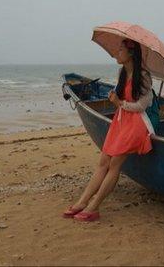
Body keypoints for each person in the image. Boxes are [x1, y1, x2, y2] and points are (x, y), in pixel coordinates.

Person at [62, 38, 154, 222]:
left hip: (137, 123)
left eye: (120, 50)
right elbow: (122, 97)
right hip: (120, 122)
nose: (116, 53)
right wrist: (115, 97)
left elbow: (143, 105)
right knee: (103, 161)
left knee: (114, 164)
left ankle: (94, 207)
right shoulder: (122, 72)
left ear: (131, 53)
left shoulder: (143, 76)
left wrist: (120, 103)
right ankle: (82, 202)